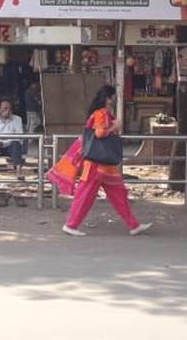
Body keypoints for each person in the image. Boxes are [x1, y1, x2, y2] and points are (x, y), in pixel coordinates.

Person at [63, 85, 151, 237]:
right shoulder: (102, 113)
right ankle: (71, 224)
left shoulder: (99, 113)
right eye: (113, 96)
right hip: (98, 165)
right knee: (102, 195)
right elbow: (100, 133)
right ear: (108, 98)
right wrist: (114, 126)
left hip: (99, 165)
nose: (114, 99)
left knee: (106, 195)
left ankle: (133, 225)